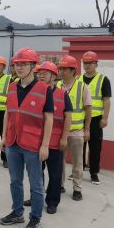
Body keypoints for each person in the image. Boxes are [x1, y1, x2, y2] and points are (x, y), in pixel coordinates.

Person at [0, 48, 53, 228]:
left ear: (33, 66)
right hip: (13, 142)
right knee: (15, 181)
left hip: (33, 144)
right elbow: (8, 113)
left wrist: (45, 145)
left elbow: (49, 118)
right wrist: (4, 136)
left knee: (36, 184)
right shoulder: (12, 87)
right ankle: (17, 212)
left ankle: (35, 218)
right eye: (17, 64)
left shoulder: (44, 89)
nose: (19, 67)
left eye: (23, 64)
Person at [36, 62, 71, 214]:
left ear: (54, 76)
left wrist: (64, 138)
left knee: (55, 174)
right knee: (36, 173)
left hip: (55, 142)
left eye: (45, 73)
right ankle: (36, 196)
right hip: (36, 141)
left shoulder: (62, 95)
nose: (41, 75)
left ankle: (52, 201)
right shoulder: (35, 93)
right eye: (39, 73)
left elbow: (68, 117)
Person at [57, 55, 92, 201]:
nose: (61, 72)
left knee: (77, 162)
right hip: (59, 132)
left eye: (65, 69)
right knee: (59, 161)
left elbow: (88, 109)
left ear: (73, 71)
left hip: (76, 132)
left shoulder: (82, 87)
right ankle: (59, 185)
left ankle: (77, 188)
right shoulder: (56, 86)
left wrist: (87, 129)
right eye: (60, 69)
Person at [82, 51, 111, 185]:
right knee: (79, 146)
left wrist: (105, 118)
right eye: (85, 63)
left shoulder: (103, 80)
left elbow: (106, 100)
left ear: (96, 64)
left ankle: (94, 172)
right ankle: (79, 169)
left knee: (95, 147)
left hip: (96, 119)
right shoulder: (78, 79)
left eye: (90, 63)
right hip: (80, 118)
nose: (87, 65)